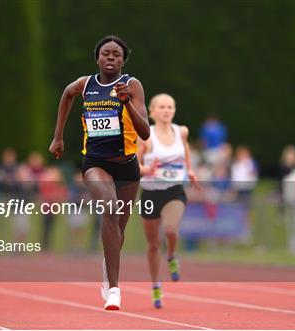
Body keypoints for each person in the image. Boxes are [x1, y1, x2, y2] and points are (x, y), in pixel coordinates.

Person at [49, 35, 149, 310]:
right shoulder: (86, 84)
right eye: (106, 53)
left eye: (116, 54)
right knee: (110, 208)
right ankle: (115, 290)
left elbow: (145, 132)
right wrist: (58, 136)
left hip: (127, 164)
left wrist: (127, 103)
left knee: (118, 228)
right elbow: (67, 94)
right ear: (97, 58)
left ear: (123, 60)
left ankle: (108, 268)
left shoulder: (131, 85)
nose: (111, 58)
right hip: (95, 163)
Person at [137, 93, 197, 309]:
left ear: (174, 110)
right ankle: (155, 285)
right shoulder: (146, 137)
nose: (166, 110)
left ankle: (171, 255)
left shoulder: (181, 132)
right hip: (151, 193)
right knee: (153, 244)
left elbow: (186, 148)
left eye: (170, 107)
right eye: (161, 107)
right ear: (152, 112)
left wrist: (189, 169)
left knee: (170, 230)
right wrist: (146, 169)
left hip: (174, 191)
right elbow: (135, 165)